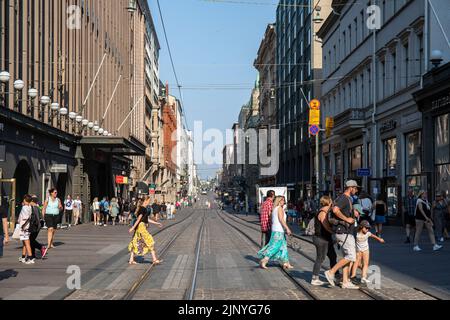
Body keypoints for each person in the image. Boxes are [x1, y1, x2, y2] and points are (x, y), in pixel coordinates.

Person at [324, 180, 360, 290]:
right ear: (351, 188)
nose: (357, 190)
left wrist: (353, 212)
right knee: (351, 256)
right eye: (356, 188)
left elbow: (341, 210)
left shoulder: (347, 199)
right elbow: (335, 210)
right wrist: (347, 219)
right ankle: (331, 272)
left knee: (347, 257)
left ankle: (345, 281)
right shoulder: (344, 198)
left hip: (346, 231)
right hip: (343, 231)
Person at [258, 196, 293, 270]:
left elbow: (272, 220)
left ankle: (286, 262)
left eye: (284, 200)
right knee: (275, 246)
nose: (284, 201)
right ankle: (264, 260)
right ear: (279, 201)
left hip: (276, 230)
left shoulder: (274, 209)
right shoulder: (279, 208)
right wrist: (287, 228)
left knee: (283, 247)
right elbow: (281, 219)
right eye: (282, 200)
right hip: (278, 231)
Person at [311, 196, 338, 286]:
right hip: (321, 238)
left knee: (333, 256)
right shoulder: (323, 212)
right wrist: (332, 231)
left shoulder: (326, 211)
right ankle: (315, 278)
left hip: (326, 238)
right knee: (320, 257)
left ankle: (335, 274)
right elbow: (325, 225)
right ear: (329, 202)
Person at [128, 197, 163, 265]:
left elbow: (146, 219)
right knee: (149, 241)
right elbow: (138, 219)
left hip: (141, 226)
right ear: (145, 201)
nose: (149, 202)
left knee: (135, 241)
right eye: (149, 200)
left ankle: (131, 260)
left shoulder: (143, 208)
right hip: (141, 227)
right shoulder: (143, 208)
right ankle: (154, 259)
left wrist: (157, 223)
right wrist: (132, 228)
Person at [18, 195, 34, 264]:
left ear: (25, 200)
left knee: (27, 243)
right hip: (27, 227)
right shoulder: (30, 207)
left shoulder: (24, 208)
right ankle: (23, 257)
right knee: (25, 243)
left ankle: (30, 258)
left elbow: (23, 218)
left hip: (24, 227)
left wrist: (22, 226)